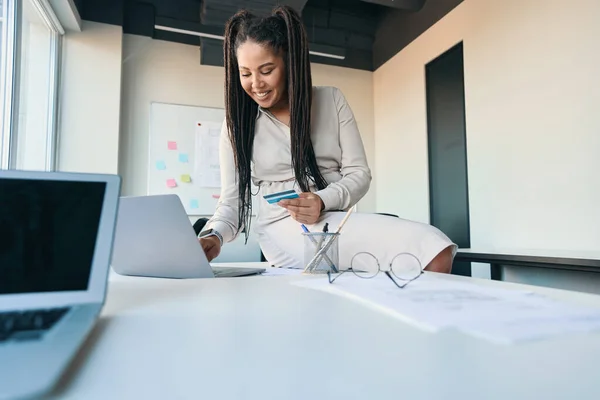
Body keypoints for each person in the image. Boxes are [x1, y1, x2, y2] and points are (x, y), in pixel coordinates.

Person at [198, 5, 456, 273]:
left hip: (336, 219)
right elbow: (232, 203)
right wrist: (214, 235)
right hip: (281, 229)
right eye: (246, 73)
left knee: (435, 249)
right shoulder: (237, 126)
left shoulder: (331, 100)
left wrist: (322, 200)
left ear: (289, 61)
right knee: (432, 248)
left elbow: (359, 174)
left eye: (266, 70)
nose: (256, 84)